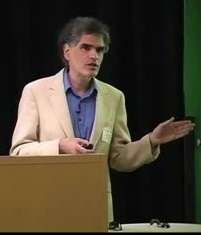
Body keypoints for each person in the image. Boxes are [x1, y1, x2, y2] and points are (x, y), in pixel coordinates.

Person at [10, 16, 195, 224]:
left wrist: (152, 140)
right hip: (47, 203)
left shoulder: (114, 97)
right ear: (66, 52)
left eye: (99, 50)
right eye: (86, 47)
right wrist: (59, 146)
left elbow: (118, 158)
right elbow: (19, 151)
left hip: (95, 205)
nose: (94, 56)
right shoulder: (36, 91)